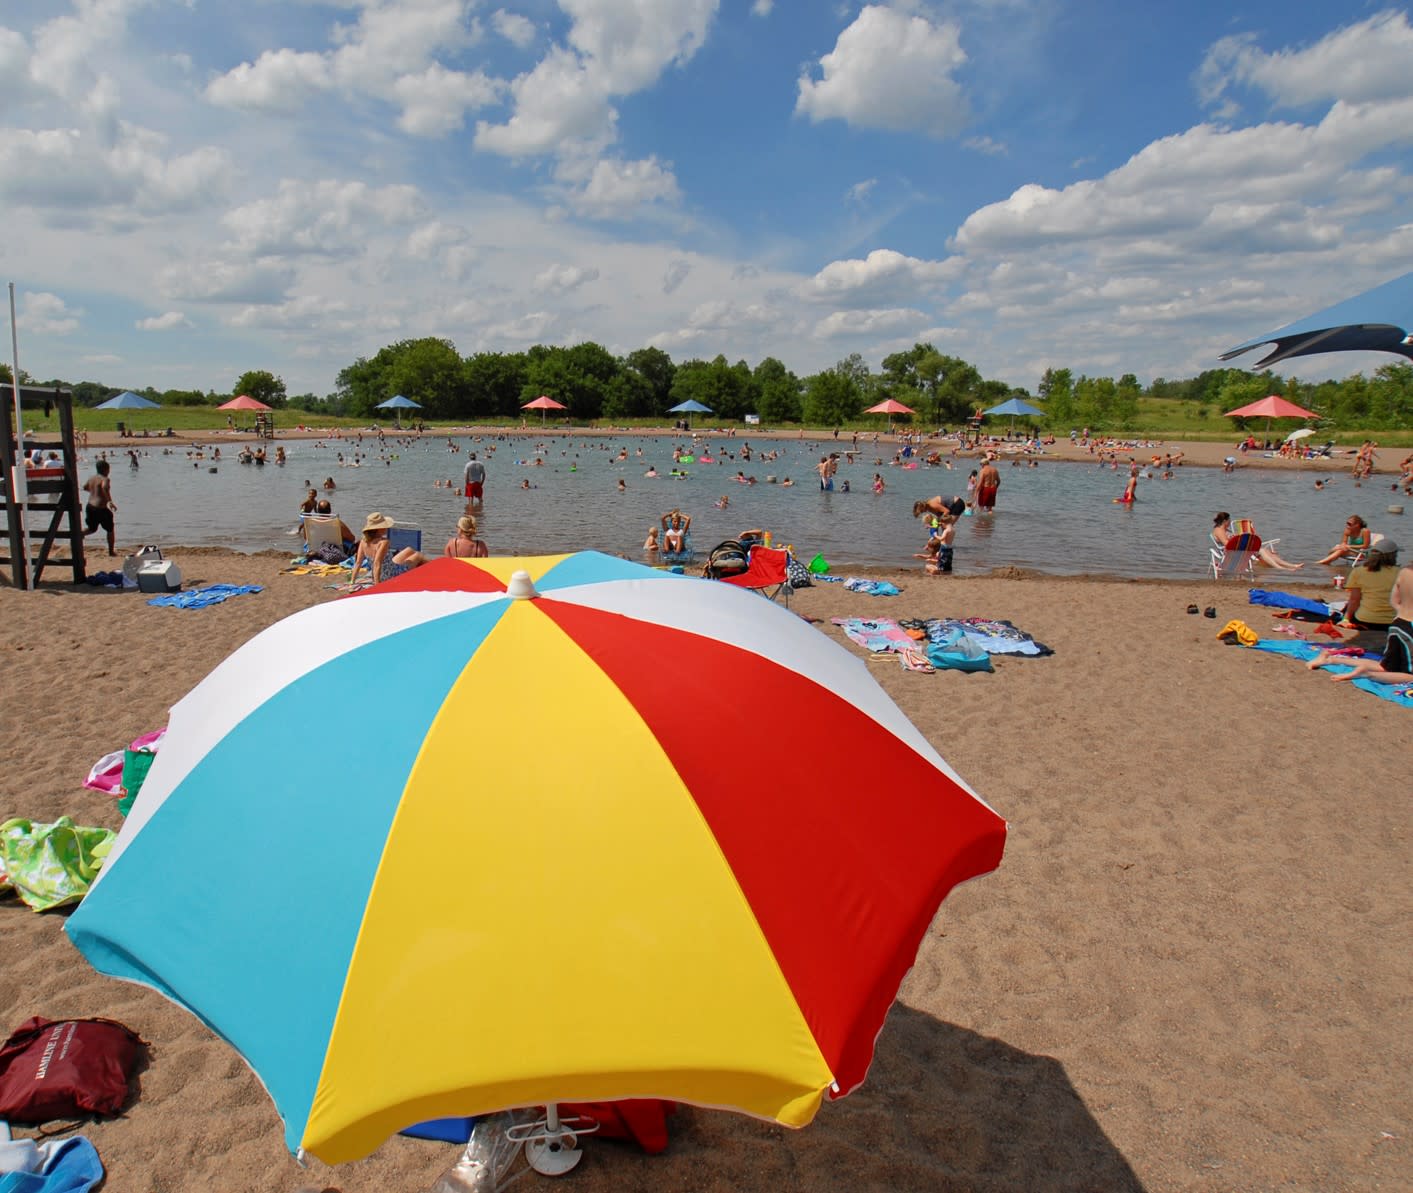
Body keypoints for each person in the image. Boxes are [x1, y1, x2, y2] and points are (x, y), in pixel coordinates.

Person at [1307, 557, 1412, 682]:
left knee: (1385, 666)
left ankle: (1330, 659)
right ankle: (1366, 674)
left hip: (1398, 623)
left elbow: (1394, 601)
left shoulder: (1404, 572)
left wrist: (1402, 611)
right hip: (1409, 628)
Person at [1333, 539, 1400, 634]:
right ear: (1393, 556)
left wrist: (1346, 619)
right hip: (1391, 622)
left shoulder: (1359, 571)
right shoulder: (1401, 573)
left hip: (1365, 620)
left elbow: (1354, 600)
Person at [347, 512, 419, 589]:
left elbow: (358, 562)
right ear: (379, 529)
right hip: (390, 575)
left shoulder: (363, 541)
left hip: (385, 569)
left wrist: (352, 581)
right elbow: (377, 563)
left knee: (409, 550)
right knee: (418, 555)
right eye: (385, 526)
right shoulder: (383, 542)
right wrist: (377, 585)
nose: (387, 528)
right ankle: (432, 574)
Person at [1210, 512, 1303, 571]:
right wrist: (1238, 540)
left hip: (1238, 550)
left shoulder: (1225, 530)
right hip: (1232, 553)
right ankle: (1280, 568)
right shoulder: (1219, 530)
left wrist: (1240, 539)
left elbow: (1232, 541)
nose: (1230, 522)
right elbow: (1227, 544)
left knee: (1265, 551)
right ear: (1225, 521)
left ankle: (1292, 565)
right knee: (1262, 551)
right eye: (1229, 520)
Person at [82, 460, 117, 556]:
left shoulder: (92, 478)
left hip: (90, 506)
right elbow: (105, 487)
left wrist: (94, 492)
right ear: (106, 469)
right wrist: (110, 501)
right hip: (100, 508)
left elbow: (84, 487)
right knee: (110, 529)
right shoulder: (105, 478)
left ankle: (78, 535)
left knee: (91, 529)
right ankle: (111, 551)